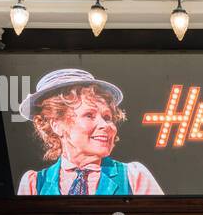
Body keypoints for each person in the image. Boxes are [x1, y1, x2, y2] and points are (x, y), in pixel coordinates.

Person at [16, 68, 164, 196]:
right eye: (89, 115)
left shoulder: (134, 176)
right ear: (57, 125)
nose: (106, 125)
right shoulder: (33, 185)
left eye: (107, 117)